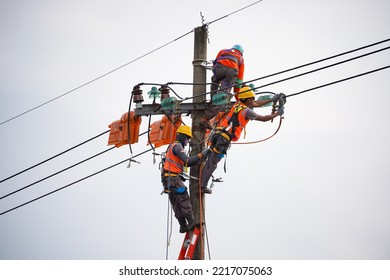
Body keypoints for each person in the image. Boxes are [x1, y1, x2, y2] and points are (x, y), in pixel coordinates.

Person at [201, 86, 286, 192]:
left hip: (218, 135)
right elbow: (264, 119)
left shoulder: (237, 105)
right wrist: (278, 113)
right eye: (252, 99)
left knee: (210, 158)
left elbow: (257, 104)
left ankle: (199, 174)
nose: (253, 101)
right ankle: (201, 187)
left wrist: (272, 99)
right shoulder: (246, 111)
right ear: (247, 99)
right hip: (223, 139)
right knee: (212, 163)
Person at [161, 125, 209, 233]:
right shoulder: (177, 146)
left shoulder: (172, 147)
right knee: (184, 199)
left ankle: (183, 225)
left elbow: (188, 163)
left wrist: (198, 159)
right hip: (173, 179)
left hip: (168, 181)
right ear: (182, 136)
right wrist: (202, 154)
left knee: (176, 203)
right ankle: (191, 221)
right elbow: (188, 161)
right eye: (187, 138)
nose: (187, 142)